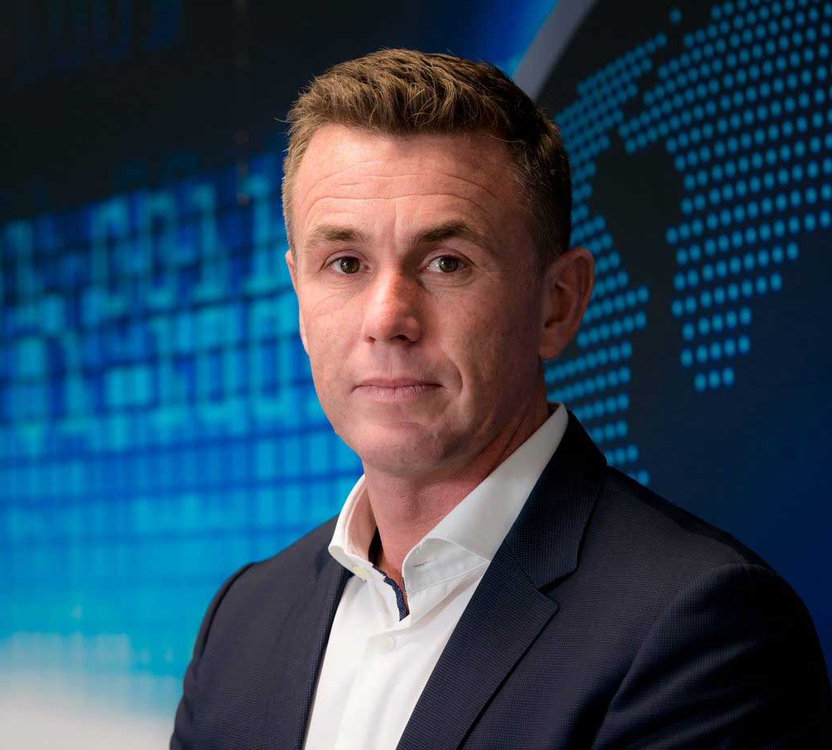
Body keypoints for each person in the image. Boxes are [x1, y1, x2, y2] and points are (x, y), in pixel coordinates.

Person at [171, 49, 832, 749]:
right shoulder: (242, 621)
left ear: (558, 305)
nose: (387, 317)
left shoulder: (700, 628)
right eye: (346, 264)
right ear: (300, 299)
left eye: (447, 262)